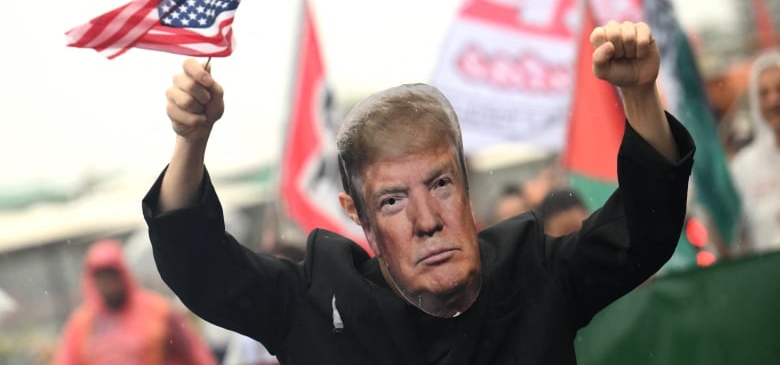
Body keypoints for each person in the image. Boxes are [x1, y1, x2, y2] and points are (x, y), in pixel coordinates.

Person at [143, 21, 694, 364]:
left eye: (440, 184)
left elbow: (643, 233)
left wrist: (639, 94)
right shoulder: (312, 303)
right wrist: (190, 140)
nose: (427, 219)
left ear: (467, 186)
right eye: (392, 200)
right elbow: (199, 268)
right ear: (354, 213)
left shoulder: (533, 273)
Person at [54, 239, 217, 365]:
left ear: (123, 273)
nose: (108, 284)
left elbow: (196, 354)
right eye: (101, 278)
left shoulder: (158, 311)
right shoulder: (82, 324)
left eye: (111, 275)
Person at [730, 49, 780, 253]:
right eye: (763, 93)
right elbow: (736, 237)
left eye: (779, 89)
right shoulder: (744, 167)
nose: (773, 100)